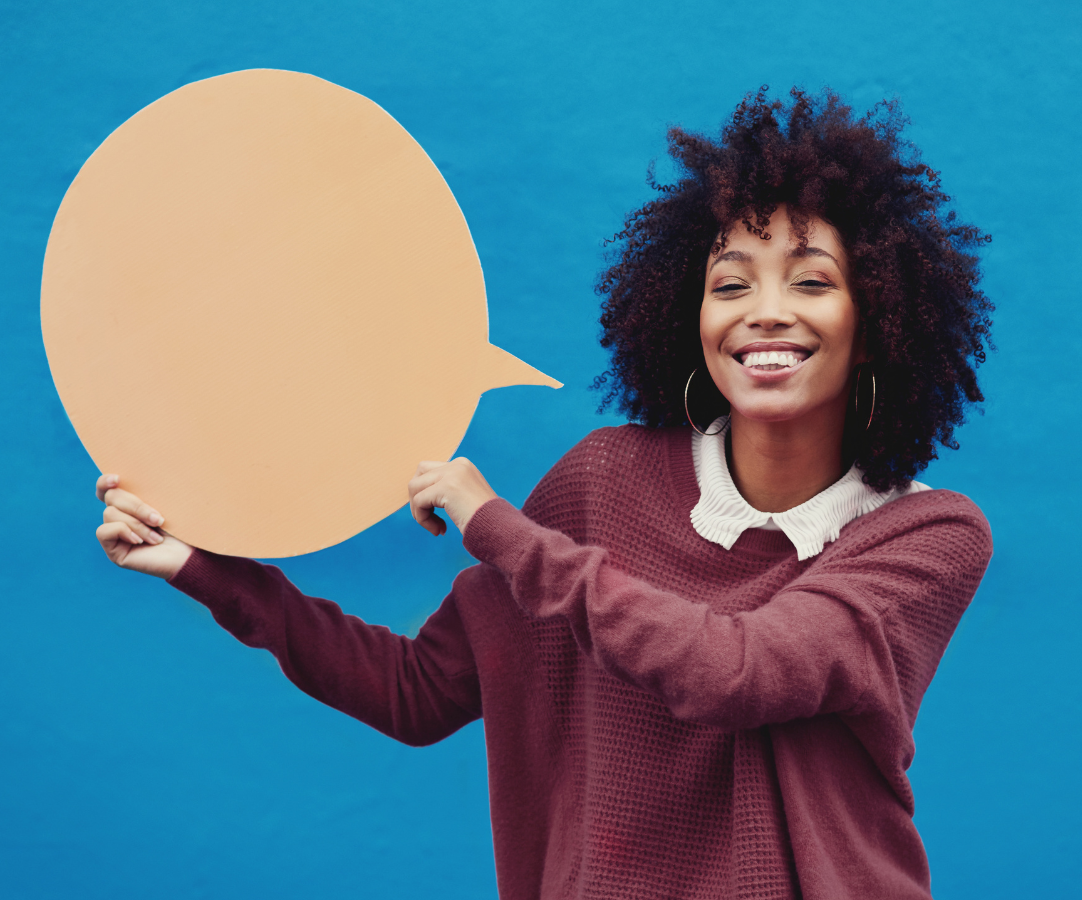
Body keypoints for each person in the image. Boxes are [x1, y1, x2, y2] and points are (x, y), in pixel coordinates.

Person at [94, 88, 995, 900]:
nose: (764, 310)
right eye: (730, 284)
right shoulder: (604, 480)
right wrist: (205, 570)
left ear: (874, 322)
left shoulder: (924, 535)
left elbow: (740, 670)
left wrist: (499, 527)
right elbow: (417, 692)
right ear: (695, 318)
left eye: (811, 281)